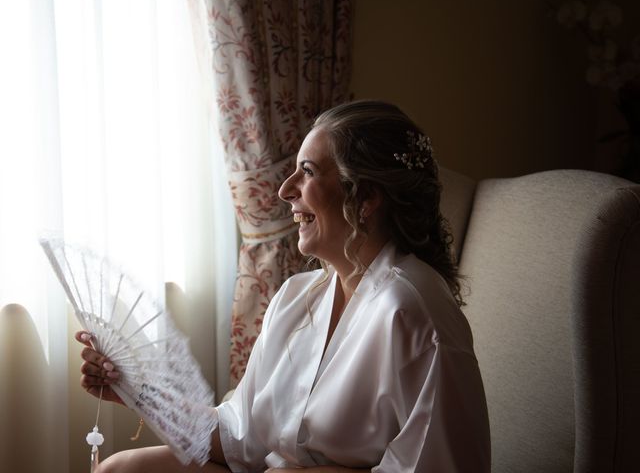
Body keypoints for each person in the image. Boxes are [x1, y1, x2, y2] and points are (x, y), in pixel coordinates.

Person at [77, 100, 491, 472]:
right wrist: (139, 391)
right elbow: (242, 439)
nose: (284, 190)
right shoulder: (297, 297)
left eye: (307, 172)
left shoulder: (414, 311)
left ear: (365, 197)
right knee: (122, 469)